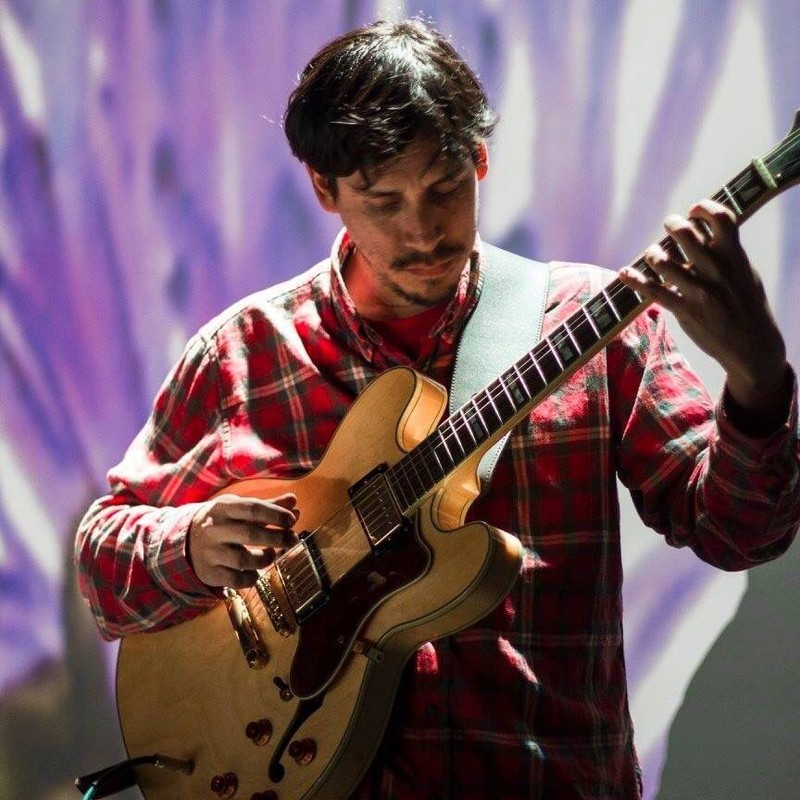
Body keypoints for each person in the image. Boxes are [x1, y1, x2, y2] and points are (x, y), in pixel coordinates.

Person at [74, 17, 799, 800]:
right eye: (383, 200)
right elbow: (101, 566)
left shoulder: (594, 325)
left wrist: (758, 381)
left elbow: (741, 534)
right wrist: (190, 545)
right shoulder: (244, 352)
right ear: (324, 188)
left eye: (445, 187)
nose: (421, 229)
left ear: (480, 159)